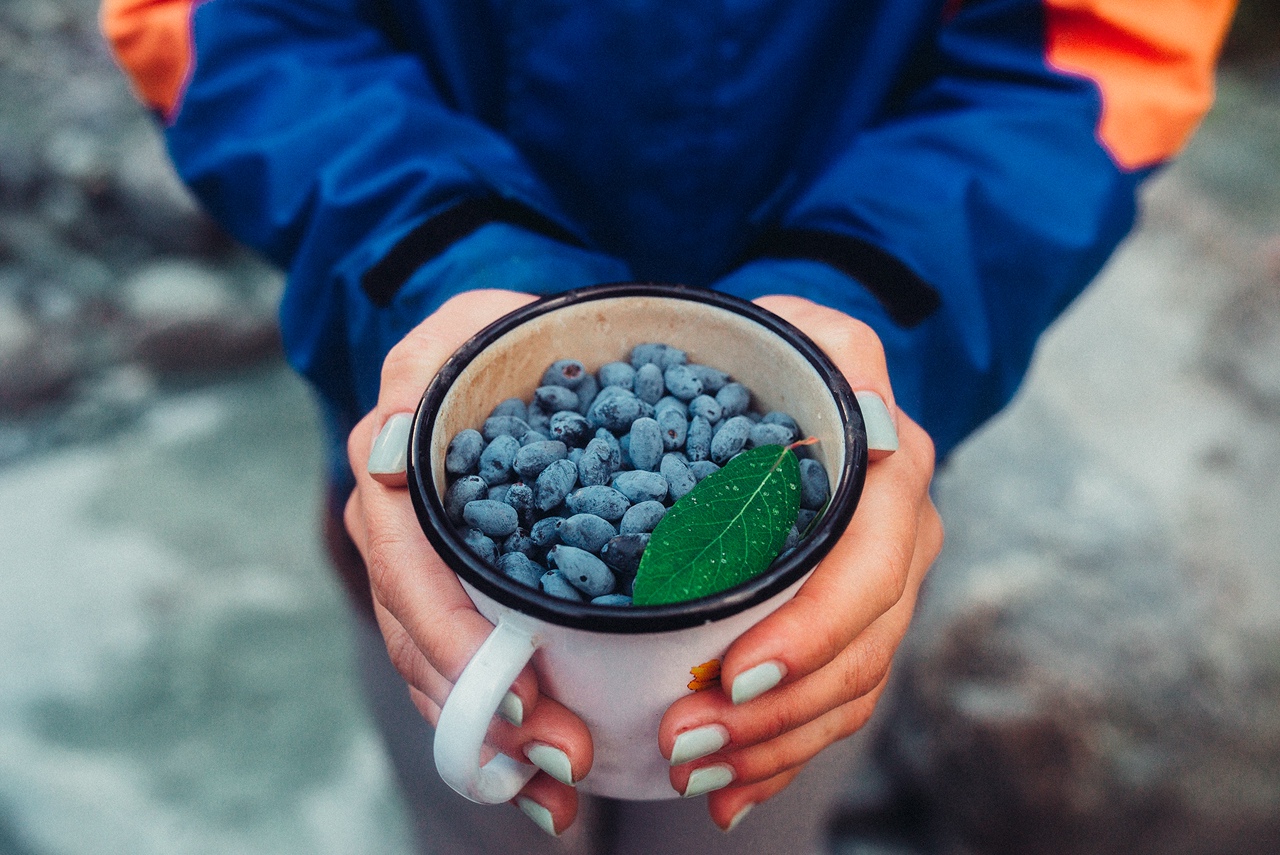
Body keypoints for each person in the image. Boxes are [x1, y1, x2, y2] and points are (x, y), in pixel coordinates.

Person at [101, 0, 1236, 851]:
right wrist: (432, 261)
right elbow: (222, 23)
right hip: (409, 420)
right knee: (479, 811)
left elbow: (1098, 47)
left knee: (743, 800)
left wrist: (866, 307)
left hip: (821, 514)